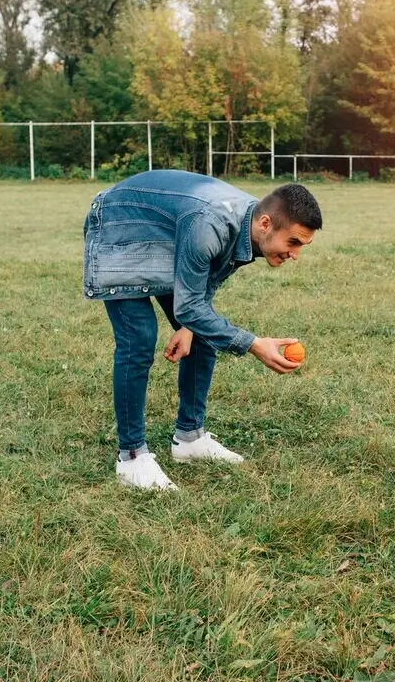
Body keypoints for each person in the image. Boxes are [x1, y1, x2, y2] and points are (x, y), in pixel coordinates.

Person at [83, 169, 323, 491]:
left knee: (202, 336)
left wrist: (189, 326)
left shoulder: (251, 225)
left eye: (302, 245)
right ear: (266, 223)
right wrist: (252, 343)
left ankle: (189, 438)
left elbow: (207, 279)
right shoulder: (209, 225)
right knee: (138, 338)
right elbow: (190, 305)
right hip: (118, 224)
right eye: (293, 242)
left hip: (165, 236)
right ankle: (131, 458)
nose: (296, 254)